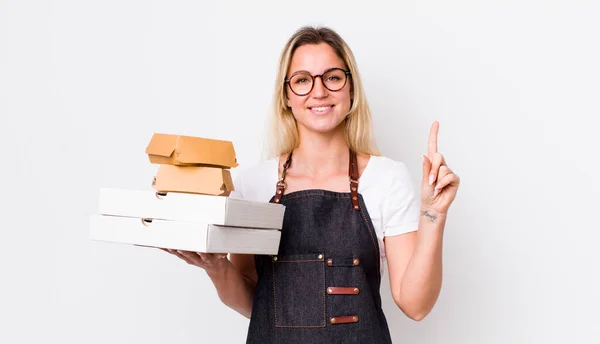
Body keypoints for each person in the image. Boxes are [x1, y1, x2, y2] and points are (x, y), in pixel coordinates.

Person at [162, 25, 460, 343]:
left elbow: (416, 305)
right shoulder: (253, 185)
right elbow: (255, 303)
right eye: (303, 80)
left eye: (332, 77)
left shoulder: (386, 179)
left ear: (351, 90)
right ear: (286, 96)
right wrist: (216, 268)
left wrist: (433, 214)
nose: (319, 92)